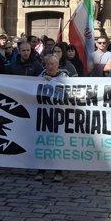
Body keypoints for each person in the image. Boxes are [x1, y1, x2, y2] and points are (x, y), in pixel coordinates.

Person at [36, 54, 70, 182]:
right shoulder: (41, 76)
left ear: (57, 65)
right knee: (43, 143)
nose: (50, 66)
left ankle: (58, 171)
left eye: (52, 64)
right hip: (44, 115)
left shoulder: (64, 77)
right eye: (48, 64)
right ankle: (41, 170)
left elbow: (70, 91)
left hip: (59, 115)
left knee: (58, 145)